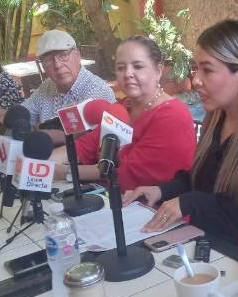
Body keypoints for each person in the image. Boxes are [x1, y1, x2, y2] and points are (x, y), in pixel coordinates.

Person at [121, 20, 238, 243]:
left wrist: (191, 203)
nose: (196, 80)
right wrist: (160, 190)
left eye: (207, 70)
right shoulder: (218, 118)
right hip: (203, 246)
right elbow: (199, 179)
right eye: (196, 68)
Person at [50, 35, 196, 192]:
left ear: (158, 71)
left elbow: (125, 173)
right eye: (121, 68)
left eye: (138, 66)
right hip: (108, 198)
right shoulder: (122, 107)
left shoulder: (172, 116)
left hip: (152, 207)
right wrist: (43, 163)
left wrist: (59, 172)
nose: (127, 74)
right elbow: (85, 146)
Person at [0, 29, 115, 152]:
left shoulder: (97, 91)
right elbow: (20, 116)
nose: (57, 65)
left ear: (77, 55)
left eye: (63, 56)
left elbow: (68, 137)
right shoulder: (48, 86)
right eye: (49, 60)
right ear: (42, 66)